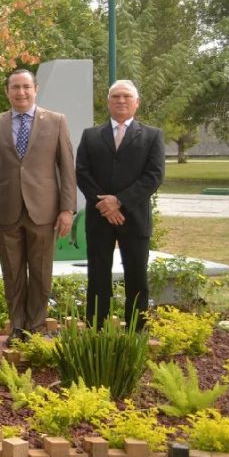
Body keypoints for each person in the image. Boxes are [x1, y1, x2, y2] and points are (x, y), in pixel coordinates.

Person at [0, 69, 76, 345]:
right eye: (15, 87)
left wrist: (67, 209)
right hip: (6, 211)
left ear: (35, 89)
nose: (20, 92)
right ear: (7, 92)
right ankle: (18, 327)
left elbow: (67, 169)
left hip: (44, 211)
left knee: (40, 272)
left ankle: (36, 327)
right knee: (12, 273)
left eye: (25, 87)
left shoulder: (56, 122)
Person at [76, 80, 164, 330]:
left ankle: (136, 330)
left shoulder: (152, 136)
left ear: (136, 102)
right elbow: (82, 172)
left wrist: (120, 201)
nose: (121, 100)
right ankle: (97, 327)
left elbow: (154, 176)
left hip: (134, 218)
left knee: (137, 276)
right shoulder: (91, 135)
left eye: (127, 96)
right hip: (99, 218)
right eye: (115, 96)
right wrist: (105, 205)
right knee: (98, 276)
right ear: (108, 102)